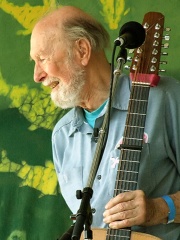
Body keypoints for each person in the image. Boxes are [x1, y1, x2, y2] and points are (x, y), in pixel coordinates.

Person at [30, 5, 180, 239]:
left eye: (42, 59)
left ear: (82, 50)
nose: (37, 75)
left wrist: (160, 209)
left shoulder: (165, 99)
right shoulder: (61, 136)